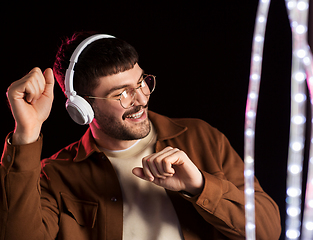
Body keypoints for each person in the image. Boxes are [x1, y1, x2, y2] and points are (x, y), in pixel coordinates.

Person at [0, 31, 281, 240]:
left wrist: (199, 186)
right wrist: (27, 133)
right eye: (121, 93)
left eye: (141, 82)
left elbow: (267, 230)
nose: (141, 98)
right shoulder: (56, 173)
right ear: (82, 108)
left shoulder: (201, 136)